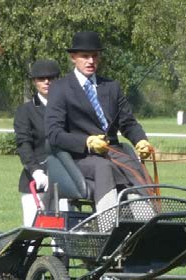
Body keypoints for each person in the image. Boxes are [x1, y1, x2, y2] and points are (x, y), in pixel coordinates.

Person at [45, 31, 155, 228]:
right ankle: (108, 227)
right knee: (103, 167)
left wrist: (141, 140)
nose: (90, 61)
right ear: (73, 58)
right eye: (85, 56)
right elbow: (54, 134)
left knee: (134, 166)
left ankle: (149, 224)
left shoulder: (111, 87)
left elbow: (128, 122)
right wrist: (87, 143)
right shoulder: (60, 89)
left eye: (94, 56)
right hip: (79, 158)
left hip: (113, 153)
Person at [14, 59, 67, 226]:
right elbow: (24, 144)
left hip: (64, 179)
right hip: (36, 180)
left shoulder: (67, 109)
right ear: (34, 82)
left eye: (51, 78)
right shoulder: (25, 111)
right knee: (32, 232)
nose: (46, 82)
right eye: (41, 78)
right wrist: (35, 170)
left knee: (62, 233)